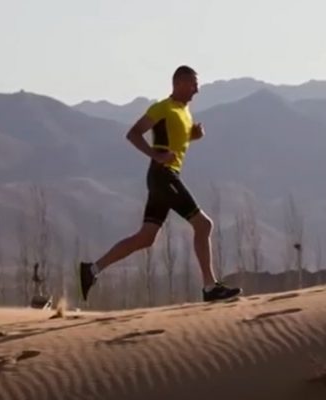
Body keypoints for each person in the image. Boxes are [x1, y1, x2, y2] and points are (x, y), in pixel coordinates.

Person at [79, 65, 242, 303]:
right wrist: (155, 155)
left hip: (164, 178)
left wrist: (191, 135)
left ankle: (91, 270)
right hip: (163, 176)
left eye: (197, 84)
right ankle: (209, 287)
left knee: (146, 238)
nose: (197, 89)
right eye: (193, 84)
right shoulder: (162, 108)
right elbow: (133, 133)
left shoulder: (185, 111)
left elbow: (176, 139)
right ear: (178, 84)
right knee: (204, 225)